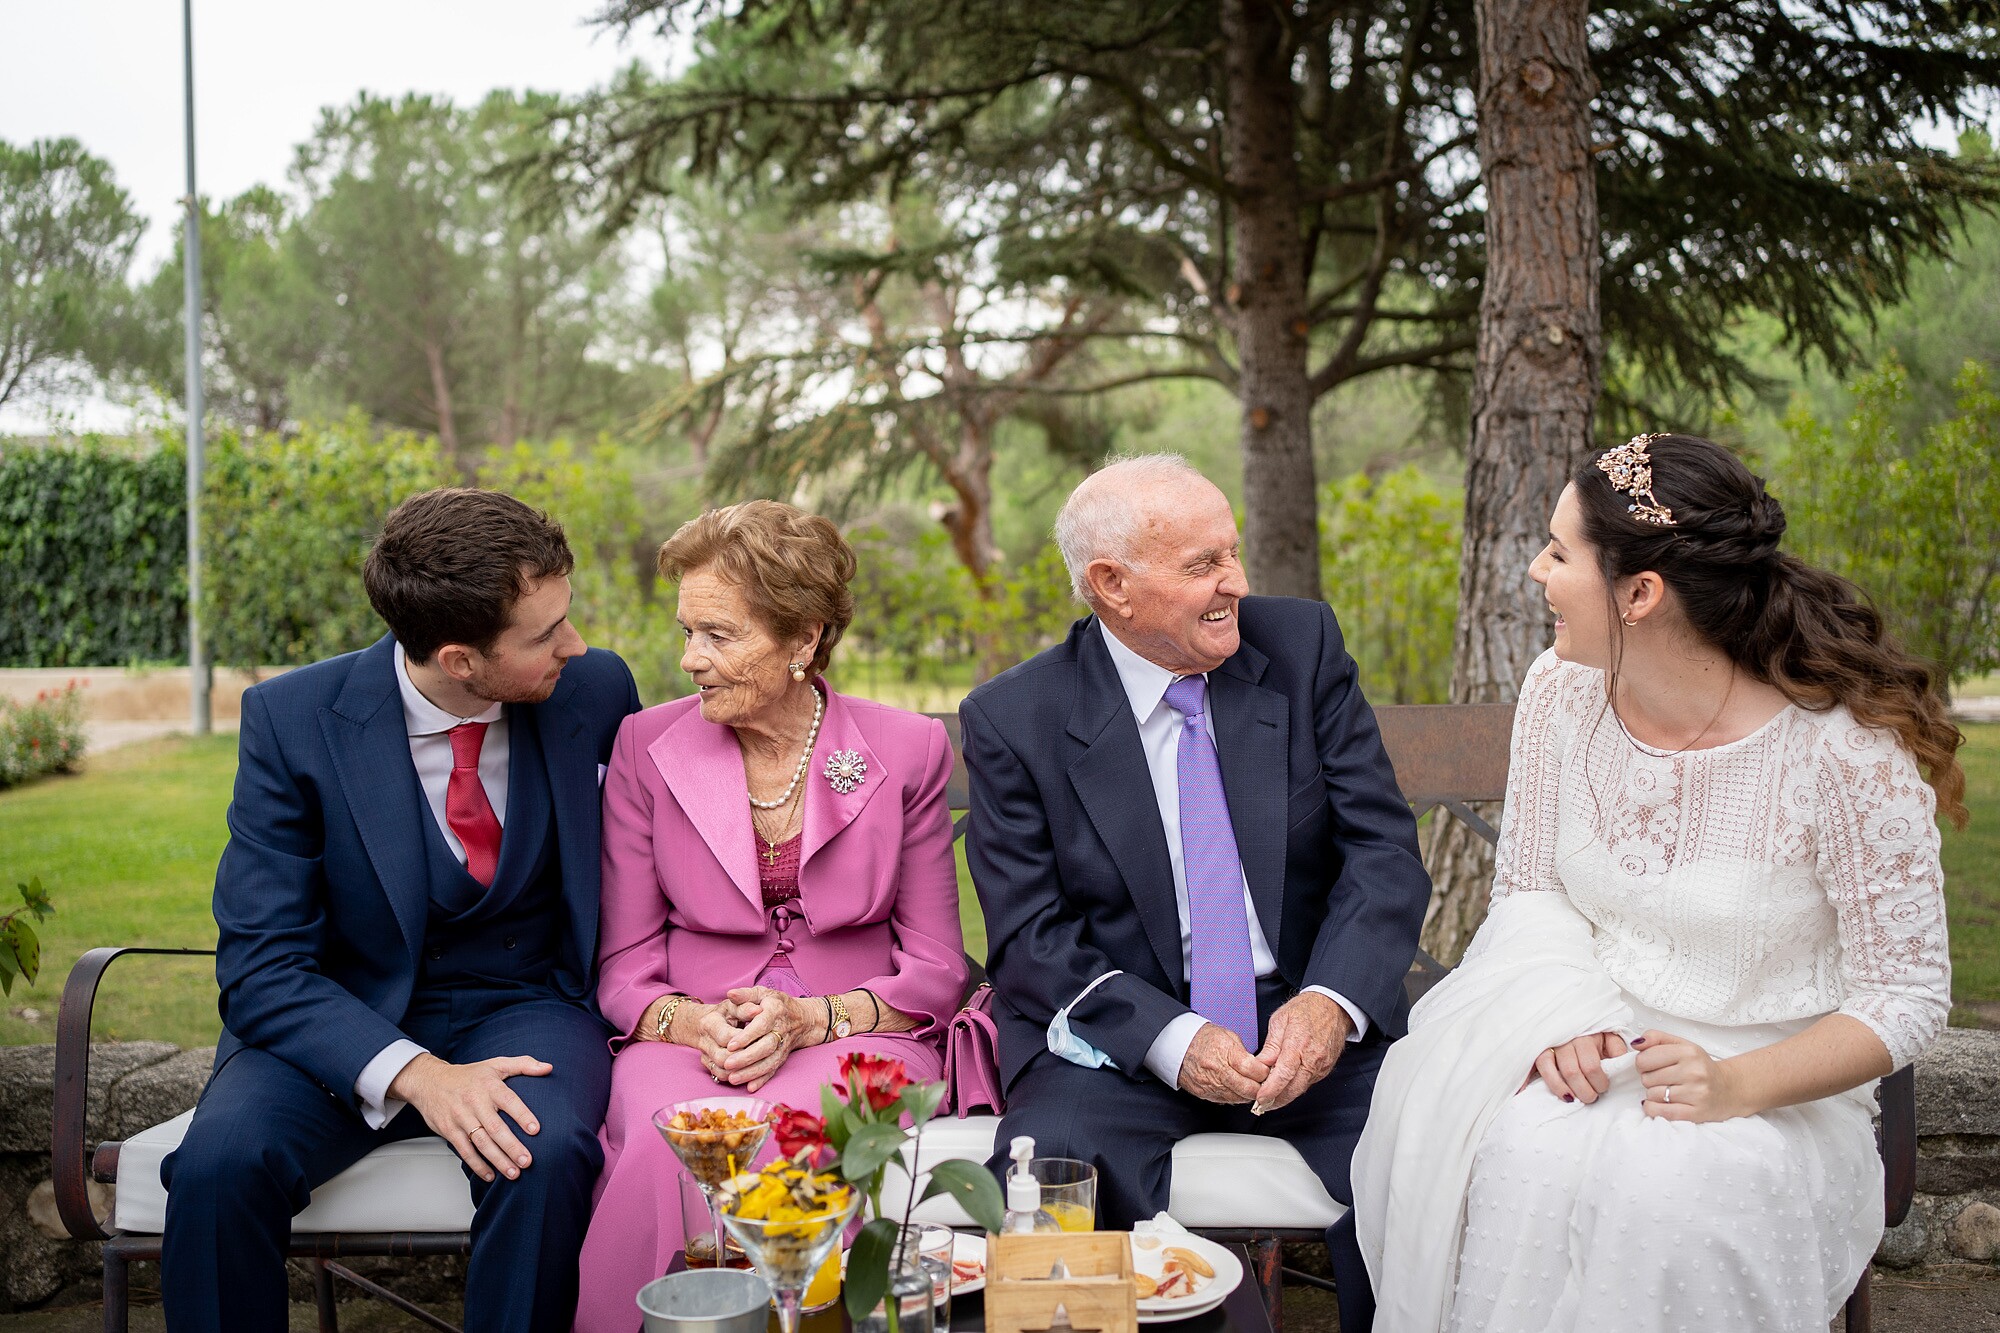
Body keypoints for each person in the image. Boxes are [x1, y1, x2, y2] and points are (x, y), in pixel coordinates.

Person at [1353, 434, 1960, 1333]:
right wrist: (1566, 1020)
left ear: (1640, 594)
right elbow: (1529, 889)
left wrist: (1735, 1084)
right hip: (1604, 1042)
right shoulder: (1561, 691)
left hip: (1775, 1087)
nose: (1536, 570)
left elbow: (1907, 997)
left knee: (1668, 1188)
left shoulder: (1843, 751)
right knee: (1516, 1147)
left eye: (1560, 553)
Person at [960, 454, 1431, 1333]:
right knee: (1053, 1164)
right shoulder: (1017, 718)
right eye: (1203, 564)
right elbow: (1030, 937)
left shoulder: (1300, 648)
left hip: (1306, 1020)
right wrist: (1171, 1040)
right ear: (1112, 585)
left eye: (1233, 553)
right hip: (1123, 1036)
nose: (1236, 582)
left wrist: (1330, 1003)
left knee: (1432, 1145)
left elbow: (1381, 854)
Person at [159, 489, 642, 1333]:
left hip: (528, 1003)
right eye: (546, 634)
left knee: (545, 1151)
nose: (576, 644)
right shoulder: (293, 721)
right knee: (217, 1166)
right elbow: (261, 967)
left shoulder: (594, 690)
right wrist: (419, 1074)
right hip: (340, 1016)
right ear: (460, 659)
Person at [574, 500, 968, 1332]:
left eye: (719, 635)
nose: (691, 658)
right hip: (690, 1036)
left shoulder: (907, 749)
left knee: (798, 1133)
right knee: (672, 1140)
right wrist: (693, 1024)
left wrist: (814, 1018)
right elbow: (624, 967)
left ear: (804, 638)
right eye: (687, 631)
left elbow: (937, 966)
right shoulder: (645, 748)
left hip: (859, 1033)